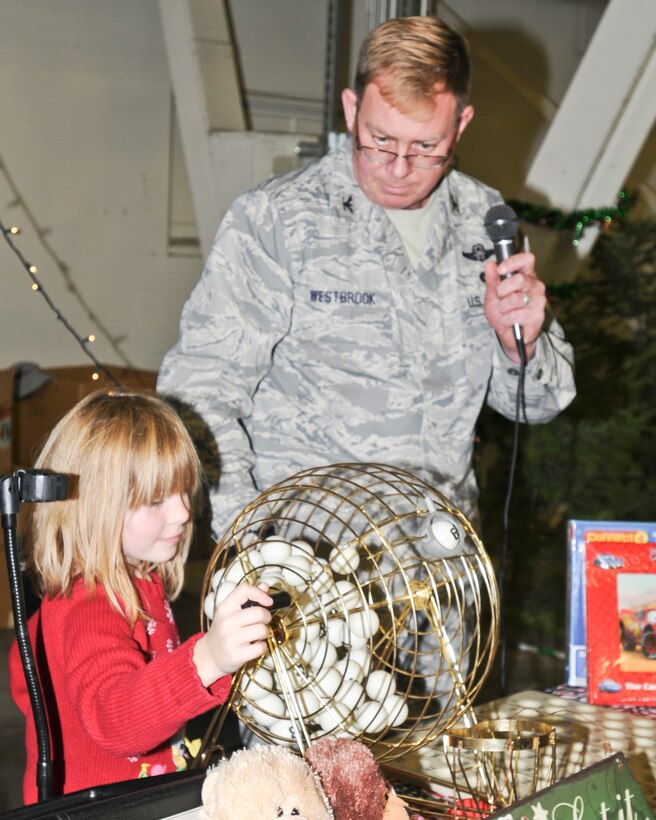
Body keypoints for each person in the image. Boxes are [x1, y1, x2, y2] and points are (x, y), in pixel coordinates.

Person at [158, 15, 575, 544]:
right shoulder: (276, 220)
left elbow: (540, 404)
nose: (399, 168)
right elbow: (198, 387)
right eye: (380, 140)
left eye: (426, 147)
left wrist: (521, 342)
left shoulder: (485, 220)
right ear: (352, 108)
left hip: (442, 577)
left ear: (462, 123)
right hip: (314, 571)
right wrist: (249, 539)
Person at [9, 389, 273, 804]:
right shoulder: (88, 603)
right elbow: (114, 721)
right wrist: (207, 659)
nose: (184, 512)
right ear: (94, 508)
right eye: (156, 500)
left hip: (146, 796)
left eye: (185, 491)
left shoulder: (140, 579)